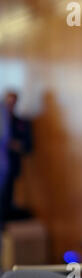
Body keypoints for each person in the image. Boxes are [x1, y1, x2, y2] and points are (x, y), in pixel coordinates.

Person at [0, 91, 33, 229]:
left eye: (13, 103)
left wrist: (12, 144)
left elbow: (27, 146)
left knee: (6, 200)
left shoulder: (20, 122)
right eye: (8, 103)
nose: (10, 106)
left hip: (9, 168)